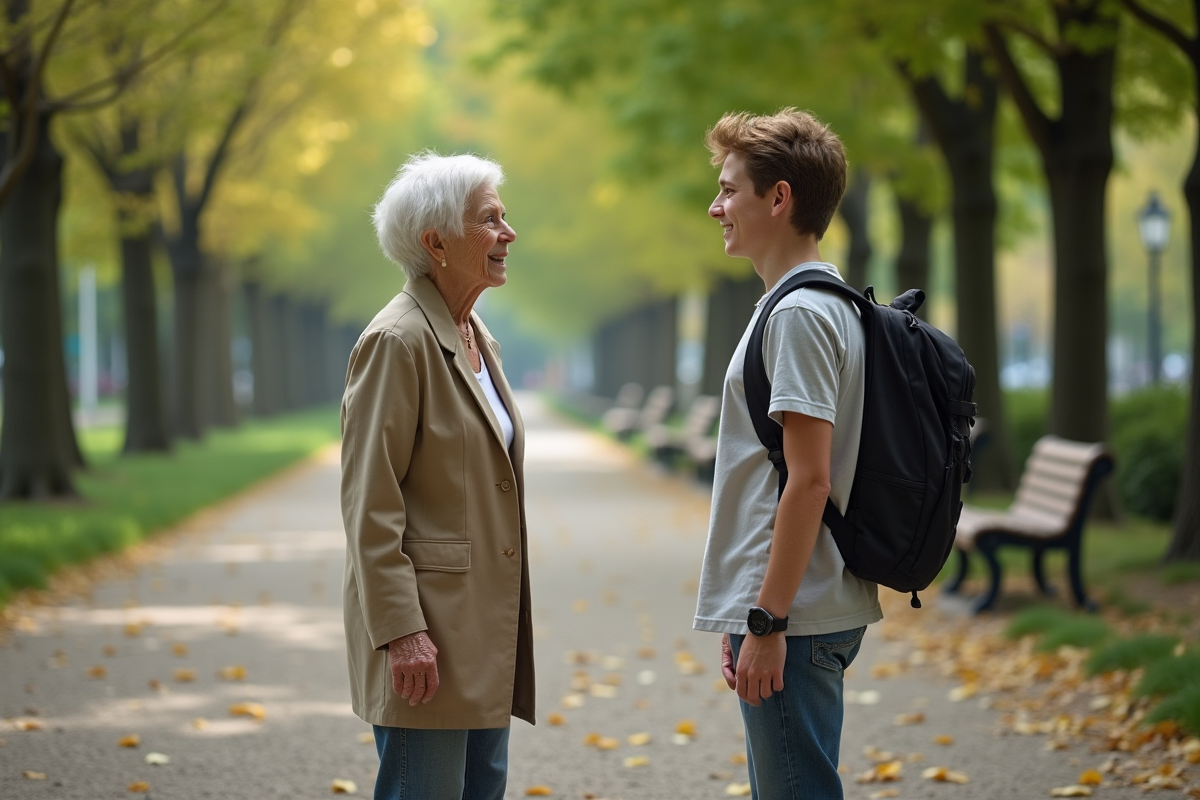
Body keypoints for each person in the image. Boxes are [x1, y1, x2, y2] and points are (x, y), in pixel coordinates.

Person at [693, 109, 882, 799]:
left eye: (729, 190)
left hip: (796, 614)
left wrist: (768, 619)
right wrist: (748, 610)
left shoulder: (800, 315)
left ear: (779, 198)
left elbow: (808, 481)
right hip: (795, 607)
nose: (716, 207)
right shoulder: (811, 304)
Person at [340, 152, 533, 800]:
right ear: (437, 243)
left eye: (504, 217)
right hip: (427, 636)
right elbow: (371, 504)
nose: (508, 233)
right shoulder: (397, 342)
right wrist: (400, 631)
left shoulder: (477, 337)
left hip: (481, 631)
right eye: (490, 219)